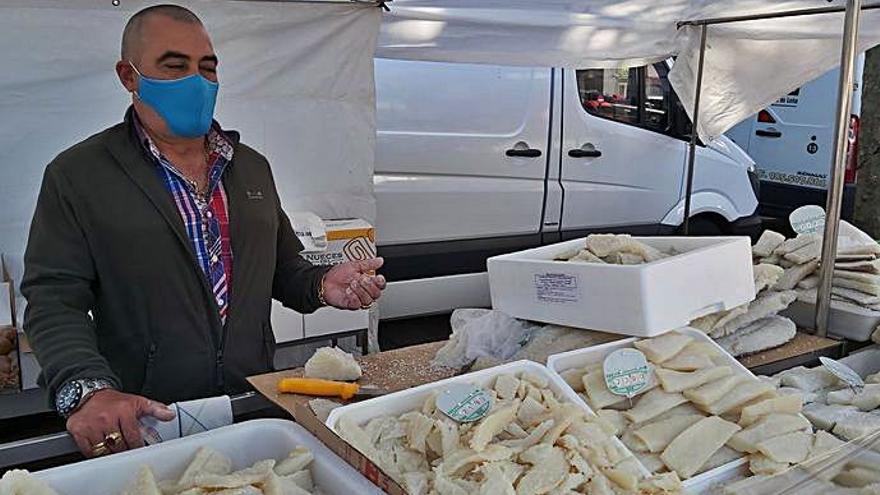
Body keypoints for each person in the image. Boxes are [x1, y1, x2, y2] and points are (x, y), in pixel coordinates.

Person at [21, 4, 385, 458]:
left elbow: (284, 268)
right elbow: (54, 300)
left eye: (207, 68)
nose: (197, 81)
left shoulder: (249, 167)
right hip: (146, 417)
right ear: (128, 76)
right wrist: (90, 390)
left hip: (249, 403)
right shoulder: (80, 176)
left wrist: (321, 284)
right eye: (174, 66)